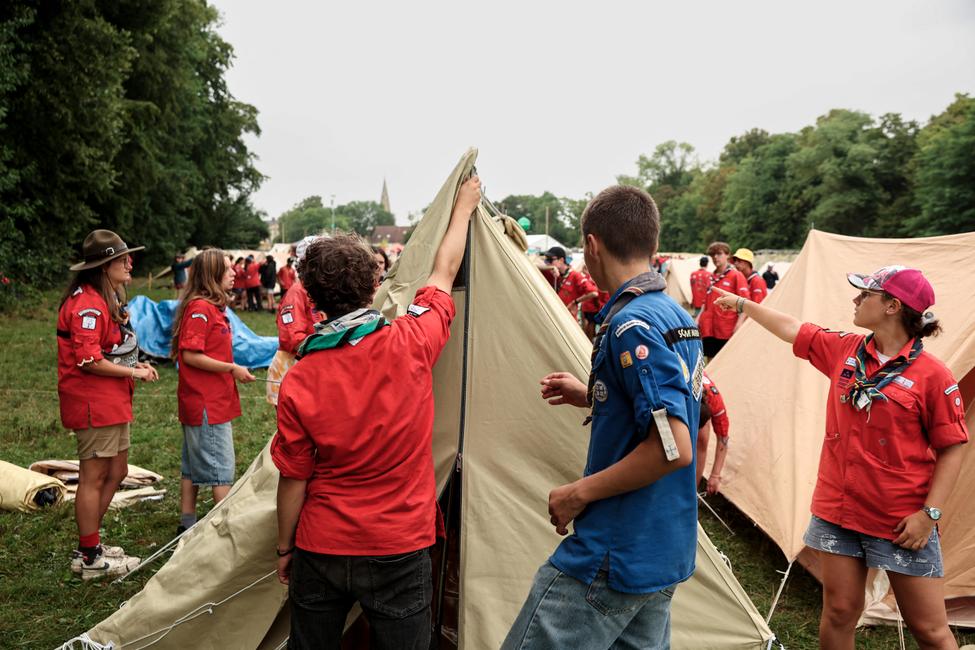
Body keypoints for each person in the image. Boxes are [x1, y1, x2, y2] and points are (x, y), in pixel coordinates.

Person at [271, 176, 481, 650]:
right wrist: (463, 211)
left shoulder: (300, 377)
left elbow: (293, 477)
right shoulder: (411, 342)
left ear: (312, 296)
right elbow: (443, 274)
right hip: (398, 543)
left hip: (322, 543)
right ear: (373, 284)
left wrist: (287, 548)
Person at [714, 265, 968, 649]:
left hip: (900, 521)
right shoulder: (846, 350)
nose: (856, 299)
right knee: (838, 613)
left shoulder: (933, 376)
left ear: (892, 306)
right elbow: (792, 328)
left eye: (866, 294)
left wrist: (928, 515)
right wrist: (744, 303)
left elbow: (952, 447)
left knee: (930, 631)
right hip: (838, 513)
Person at [504, 185, 701, 650]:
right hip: (663, 544)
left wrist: (576, 494)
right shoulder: (675, 315)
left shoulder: (633, 325)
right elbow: (677, 403)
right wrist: (597, 395)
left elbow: (672, 445)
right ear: (652, 243)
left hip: (616, 548)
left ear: (591, 245)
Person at [58, 230, 158, 579]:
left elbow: (111, 350)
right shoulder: (86, 304)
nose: (130, 262)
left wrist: (134, 367)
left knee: (118, 472)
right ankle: (89, 557)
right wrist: (134, 374)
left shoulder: (105, 298)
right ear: (104, 266)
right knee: (94, 476)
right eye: (123, 258)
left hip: (112, 400)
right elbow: (88, 360)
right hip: (92, 402)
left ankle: (91, 544)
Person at [171, 249, 256, 534]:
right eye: (228, 269)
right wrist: (231, 368)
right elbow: (191, 355)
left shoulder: (210, 306)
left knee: (192, 466)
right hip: (206, 403)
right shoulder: (200, 309)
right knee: (221, 470)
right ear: (212, 274)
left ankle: (187, 523)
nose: (234, 273)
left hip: (209, 399)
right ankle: (224, 531)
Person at [266, 241, 327, 406]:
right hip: (292, 368)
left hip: (310, 366)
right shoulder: (297, 293)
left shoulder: (318, 291)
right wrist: (330, 343)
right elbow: (293, 338)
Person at [697, 241, 749, 359]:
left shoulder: (736, 275)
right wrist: (698, 319)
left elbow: (745, 302)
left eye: (719, 254)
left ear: (727, 255)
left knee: (725, 360)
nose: (715, 257)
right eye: (713, 255)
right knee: (710, 359)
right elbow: (706, 302)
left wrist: (739, 323)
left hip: (726, 328)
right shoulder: (711, 277)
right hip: (709, 327)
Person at [695, 372, 730, 495]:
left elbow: (723, 438)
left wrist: (715, 475)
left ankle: (693, 489)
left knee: (702, 438)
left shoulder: (714, 400)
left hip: (702, 397)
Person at [544, 246, 599, 321]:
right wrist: (551, 268)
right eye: (547, 260)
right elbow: (534, 262)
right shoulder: (552, 273)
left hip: (568, 319)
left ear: (561, 260)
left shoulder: (574, 275)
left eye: (550, 260)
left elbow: (594, 292)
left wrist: (575, 302)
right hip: (554, 317)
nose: (548, 263)